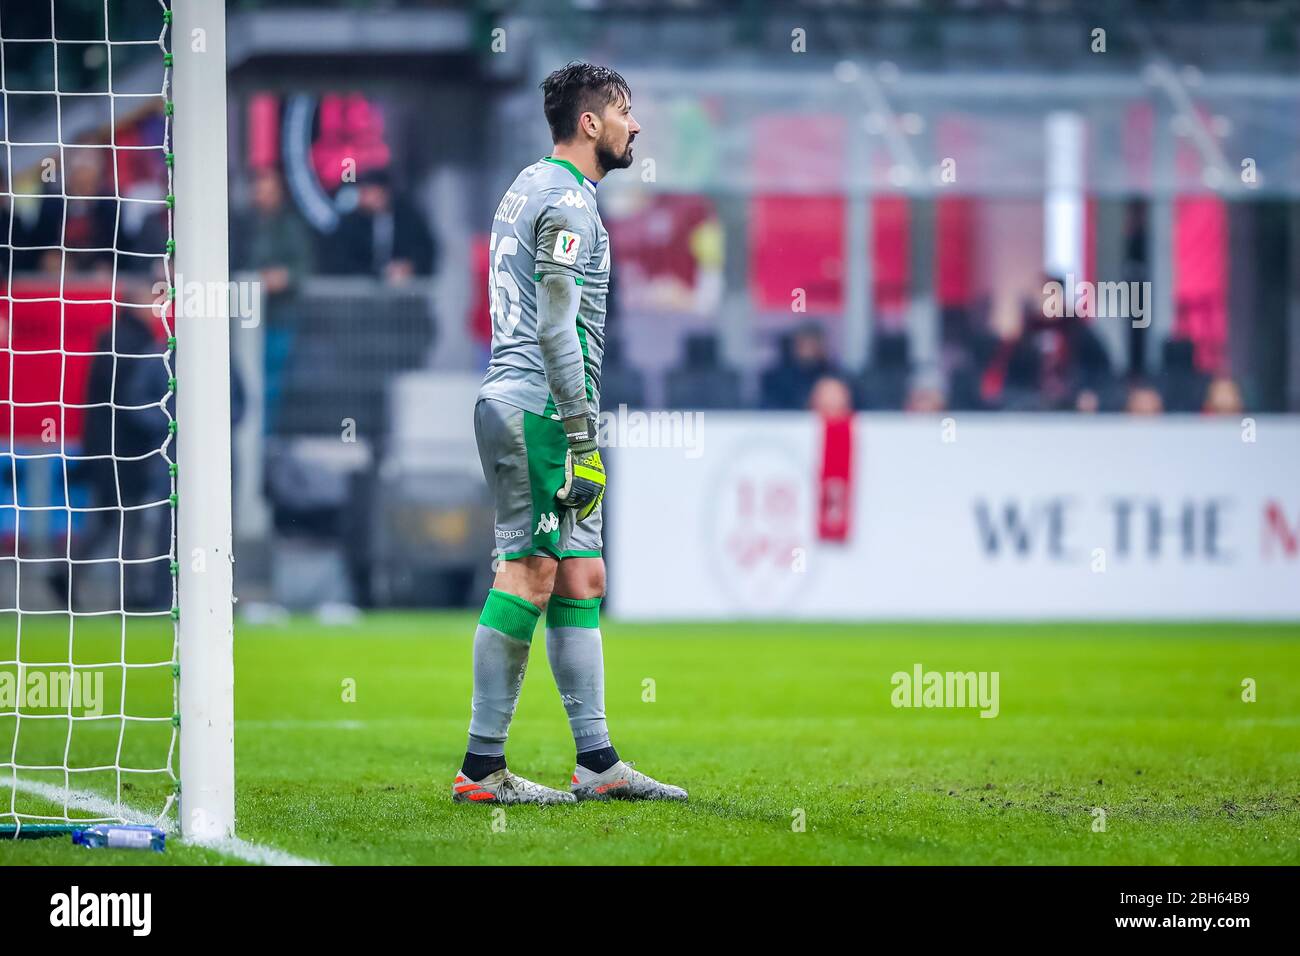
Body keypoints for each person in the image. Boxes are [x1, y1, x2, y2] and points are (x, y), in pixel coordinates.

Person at [455, 62, 686, 805]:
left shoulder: (535, 184)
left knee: (582, 576)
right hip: (542, 411)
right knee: (529, 571)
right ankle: (481, 769)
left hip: (544, 405)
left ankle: (598, 763)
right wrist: (583, 436)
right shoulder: (569, 206)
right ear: (591, 124)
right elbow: (556, 325)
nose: (636, 125)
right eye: (625, 111)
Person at [322, 167, 435, 282]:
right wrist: (379, 274)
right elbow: (342, 261)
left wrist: (409, 267)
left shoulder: (408, 218)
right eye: (363, 192)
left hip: (405, 292)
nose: (365, 198)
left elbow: (425, 250)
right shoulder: (350, 223)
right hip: (361, 293)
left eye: (370, 192)